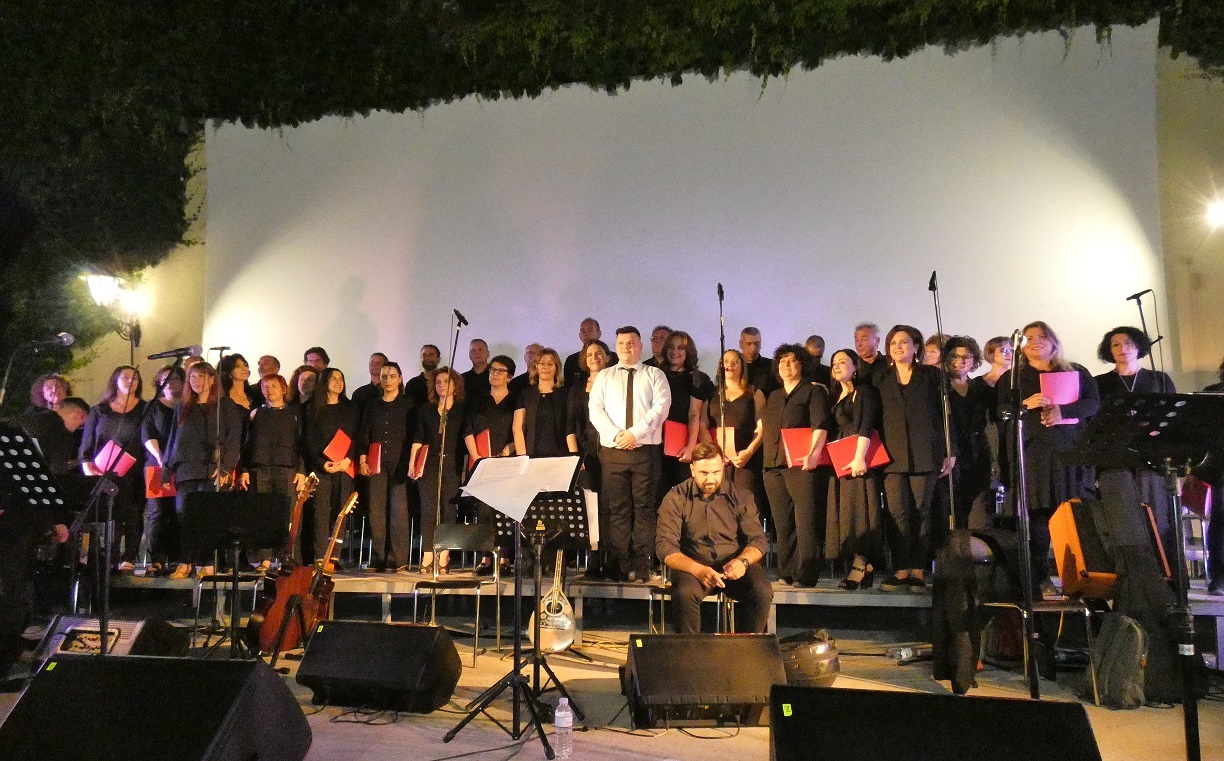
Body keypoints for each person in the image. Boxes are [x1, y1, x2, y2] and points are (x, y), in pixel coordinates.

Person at [998, 321, 1100, 593]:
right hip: (1032, 453)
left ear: (1053, 341)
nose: (1035, 342)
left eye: (1042, 337)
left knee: (1074, 514)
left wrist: (1063, 412)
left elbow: (1093, 404)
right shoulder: (1013, 377)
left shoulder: (1076, 371)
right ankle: (1040, 578)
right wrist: (1023, 404)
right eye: (1029, 338)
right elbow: (1000, 411)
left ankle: (1081, 580)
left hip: (1070, 450)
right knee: (1039, 516)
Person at [656, 442, 772, 634]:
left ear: (723, 468)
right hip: (694, 565)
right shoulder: (676, 497)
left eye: (716, 472)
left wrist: (743, 562)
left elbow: (758, 540)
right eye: (704, 473)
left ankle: (747, 647)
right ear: (692, 469)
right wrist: (698, 569)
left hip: (733, 562)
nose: (711, 479)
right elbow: (665, 547)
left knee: (762, 592)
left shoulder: (740, 496)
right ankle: (690, 650)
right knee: (684, 594)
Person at [588, 326, 671, 582]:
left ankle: (642, 564)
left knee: (644, 508)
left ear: (640, 345)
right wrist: (617, 435)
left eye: (631, 342)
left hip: (645, 451)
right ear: (616, 347)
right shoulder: (604, 376)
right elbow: (595, 410)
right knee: (617, 509)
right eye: (622, 343)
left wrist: (634, 433)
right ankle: (618, 565)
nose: (627, 347)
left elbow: (661, 407)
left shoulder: (655, 374)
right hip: (613, 452)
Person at [876, 325, 953, 593]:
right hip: (891, 455)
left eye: (904, 342)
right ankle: (901, 567)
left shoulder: (932, 375)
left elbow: (946, 415)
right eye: (893, 343)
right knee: (897, 512)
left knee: (921, 511)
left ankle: (918, 568)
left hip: (926, 453)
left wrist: (950, 450)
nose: (898, 347)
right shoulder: (880, 377)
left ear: (916, 346)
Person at [1093, 326, 1178, 567]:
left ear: (1139, 346)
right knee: (1122, 521)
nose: (1123, 348)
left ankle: (1166, 575)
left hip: (1152, 458)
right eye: (1116, 344)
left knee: (1159, 520)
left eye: (1128, 343)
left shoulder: (1159, 379)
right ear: (1109, 351)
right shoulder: (1100, 383)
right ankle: (1131, 576)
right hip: (1116, 458)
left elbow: (1173, 417)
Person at [163, 362, 244, 576]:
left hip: (212, 468)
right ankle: (185, 561)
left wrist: (226, 467)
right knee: (184, 515)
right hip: (186, 469)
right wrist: (167, 470)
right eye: (192, 377)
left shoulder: (225, 406)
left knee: (209, 516)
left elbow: (233, 438)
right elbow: (173, 440)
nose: (196, 381)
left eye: (201, 376)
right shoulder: (183, 407)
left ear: (212, 379)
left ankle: (207, 562)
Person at [760, 343, 831, 587]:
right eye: (782, 361)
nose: (786, 365)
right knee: (783, 522)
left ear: (802, 364)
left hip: (802, 463)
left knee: (805, 519)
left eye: (791, 360)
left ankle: (807, 574)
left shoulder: (814, 391)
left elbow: (820, 425)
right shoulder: (774, 396)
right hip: (773, 464)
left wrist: (814, 454)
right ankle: (786, 572)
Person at [823, 349, 884, 590]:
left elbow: (866, 425)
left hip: (859, 458)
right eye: (834, 363)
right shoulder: (835, 395)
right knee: (846, 512)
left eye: (843, 362)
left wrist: (860, 458)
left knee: (861, 512)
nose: (837, 366)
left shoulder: (864, 391)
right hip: (840, 459)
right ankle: (861, 566)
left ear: (856, 366)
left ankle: (861, 563)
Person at [79, 365, 147, 572]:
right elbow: (87, 442)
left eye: (135, 378)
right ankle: (111, 557)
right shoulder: (99, 410)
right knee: (110, 515)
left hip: (135, 471)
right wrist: (87, 466)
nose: (130, 381)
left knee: (134, 512)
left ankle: (129, 557)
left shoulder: (146, 409)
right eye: (125, 377)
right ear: (115, 380)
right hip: (104, 471)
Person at [240, 374, 306, 567]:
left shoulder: (295, 414)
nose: (269, 390)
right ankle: (265, 559)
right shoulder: (255, 414)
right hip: (260, 469)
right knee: (262, 515)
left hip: (287, 469)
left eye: (274, 386)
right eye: (265, 386)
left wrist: (301, 470)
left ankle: (287, 558)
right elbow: (246, 445)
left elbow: (302, 444)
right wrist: (245, 469)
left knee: (288, 515)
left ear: (284, 389)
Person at [358, 362, 415, 572]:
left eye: (392, 376)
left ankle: (398, 558)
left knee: (398, 511)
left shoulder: (409, 404)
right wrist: (363, 460)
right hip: (376, 461)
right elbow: (364, 433)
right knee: (376, 510)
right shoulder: (373, 405)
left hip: (400, 462)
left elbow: (415, 435)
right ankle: (379, 556)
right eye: (384, 376)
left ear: (400, 378)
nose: (388, 380)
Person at [409, 367, 467, 574]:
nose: (442, 385)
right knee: (428, 510)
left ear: (455, 386)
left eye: (446, 381)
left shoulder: (461, 410)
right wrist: (412, 463)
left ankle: (444, 555)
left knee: (448, 510)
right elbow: (418, 438)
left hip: (452, 464)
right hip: (429, 463)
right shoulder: (426, 410)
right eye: (438, 382)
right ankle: (427, 554)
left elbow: (466, 439)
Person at [464, 354, 518, 575]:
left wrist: (507, 450)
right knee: (484, 511)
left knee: (504, 509)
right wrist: (476, 456)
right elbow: (468, 430)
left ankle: (504, 558)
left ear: (510, 376)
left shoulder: (516, 400)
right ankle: (486, 558)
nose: (494, 374)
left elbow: (520, 431)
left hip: (506, 461)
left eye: (500, 371)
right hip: (482, 462)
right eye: (492, 370)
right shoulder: (478, 400)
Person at [303, 367, 359, 566]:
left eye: (341, 378)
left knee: (340, 511)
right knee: (321, 510)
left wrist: (348, 459)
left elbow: (356, 436)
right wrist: (321, 463)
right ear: (324, 382)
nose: (338, 382)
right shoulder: (313, 409)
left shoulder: (350, 408)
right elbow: (309, 440)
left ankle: (335, 554)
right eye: (333, 378)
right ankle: (321, 554)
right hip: (323, 467)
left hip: (344, 466)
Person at [567, 340, 611, 576]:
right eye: (590, 354)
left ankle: (612, 560)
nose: (594, 357)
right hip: (586, 452)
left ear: (607, 357)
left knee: (612, 506)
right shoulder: (577, 389)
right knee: (590, 508)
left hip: (612, 449)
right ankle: (593, 561)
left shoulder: (616, 383)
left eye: (599, 353)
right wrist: (576, 457)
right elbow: (570, 427)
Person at [943, 336, 993, 532]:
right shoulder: (940, 389)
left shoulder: (980, 388)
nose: (960, 361)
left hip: (978, 452)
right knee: (954, 508)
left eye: (966, 357)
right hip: (951, 452)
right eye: (955, 356)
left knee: (979, 510)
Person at [142, 366, 185, 577]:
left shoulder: (187, 407)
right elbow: (147, 434)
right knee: (158, 512)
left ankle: (177, 558)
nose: (170, 383)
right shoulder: (152, 407)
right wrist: (162, 460)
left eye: (175, 378)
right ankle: (156, 559)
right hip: (157, 463)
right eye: (165, 379)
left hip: (182, 465)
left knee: (179, 512)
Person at [658, 331, 713, 493]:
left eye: (681, 348)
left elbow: (694, 414)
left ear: (688, 352)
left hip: (682, 445)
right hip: (656, 444)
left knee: (685, 492)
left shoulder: (696, 378)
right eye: (671, 347)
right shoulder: (656, 374)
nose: (675, 352)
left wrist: (690, 447)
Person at [705, 348, 765, 496]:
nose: (730, 365)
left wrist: (749, 451)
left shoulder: (754, 393)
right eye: (726, 361)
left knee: (745, 501)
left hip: (745, 459)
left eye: (735, 361)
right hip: (717, 459)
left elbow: (761, 426)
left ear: (742, 366)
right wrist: (714, 453)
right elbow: (702, 424)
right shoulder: (711, 394)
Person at [513, 348, 568, 457]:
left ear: (556, 368)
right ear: (536, 367)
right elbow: (517, 429)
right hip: (533, 454)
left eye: (550, 364)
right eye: (541, 363)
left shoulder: (565, 393)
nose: (545, 367)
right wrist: (523, 457)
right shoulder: (526, 394)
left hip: (561, 454)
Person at [563, 318, 601, 386]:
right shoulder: (571, 360)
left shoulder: (611, 357)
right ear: (579, 336)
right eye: (583, 331)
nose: (586, 333)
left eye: (590, 330)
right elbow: (568, 387)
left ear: (599, 333)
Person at [740, 327, 776, 397]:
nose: (753, 349)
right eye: (748, 344)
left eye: (757, 344)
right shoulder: (734, 368)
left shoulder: (772, 365)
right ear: (741, 344)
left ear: (761, 344)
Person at [854, 322, 891, 387]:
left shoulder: (889, 363)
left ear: (877, 341)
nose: (859, 344)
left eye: (864, 339)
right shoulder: (853, 365)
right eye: (856, 340)